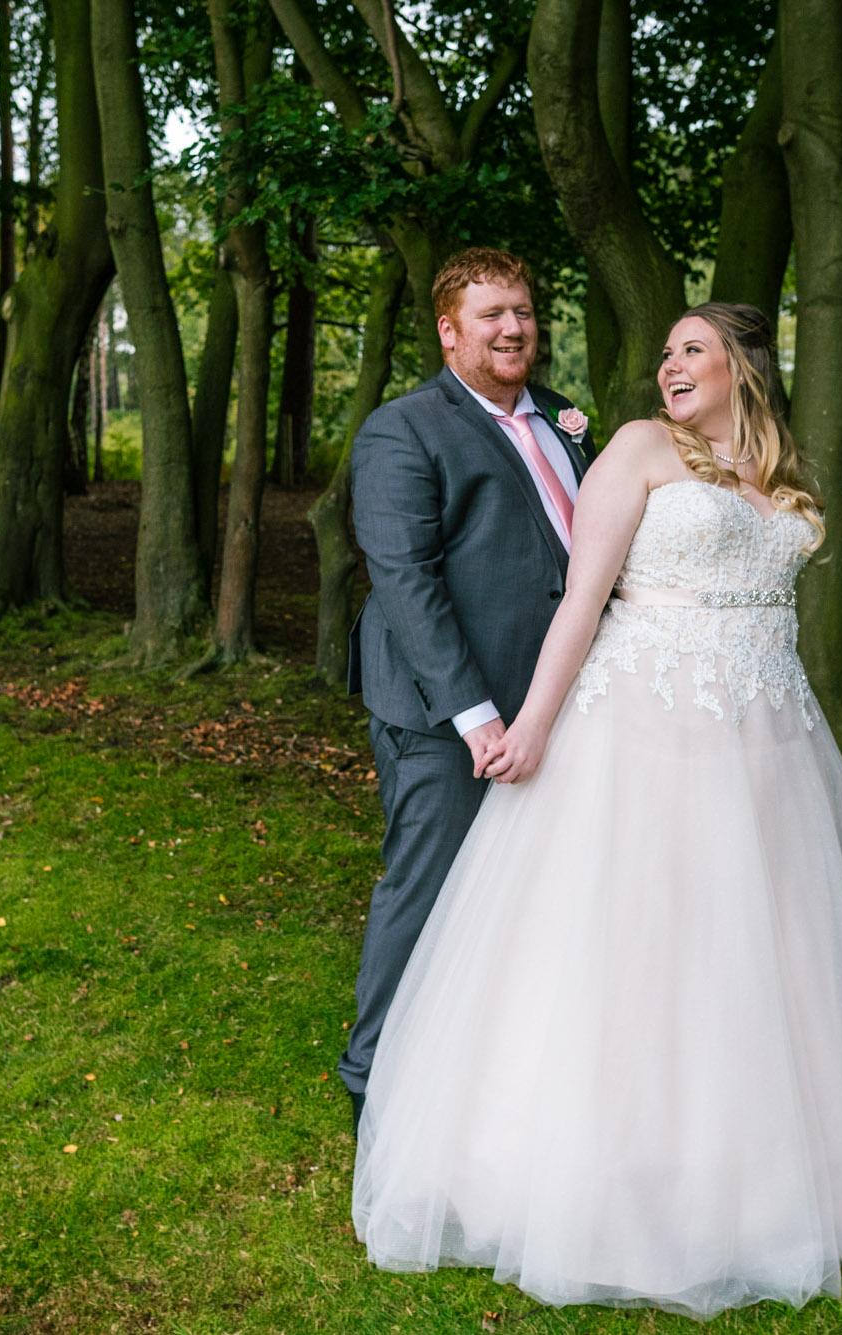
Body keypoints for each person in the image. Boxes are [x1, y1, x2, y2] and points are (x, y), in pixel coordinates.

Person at [350, 302, 842, 1321]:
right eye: (666, 351)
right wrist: (531, 729)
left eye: (691, 349)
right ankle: (602, 1166)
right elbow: (580, 599)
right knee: (642, 936)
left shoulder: (784, 468)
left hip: (769, 735)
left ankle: (776, 1168)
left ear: (741, 365)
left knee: (771, 943)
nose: (667, 365)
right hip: (642, 727)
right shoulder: (639, 446)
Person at [341, 248, 597, 1127]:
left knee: (532, 889)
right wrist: (476, 718)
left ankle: (491, 1067)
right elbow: (405, 580)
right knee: (428, 884)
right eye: (491, 315)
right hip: (446, 712)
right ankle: (371, 1079)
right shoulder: (403, 429)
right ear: (450, 332)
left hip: (556, 704)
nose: (514, 328)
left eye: (522, 311)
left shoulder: (567, 419)